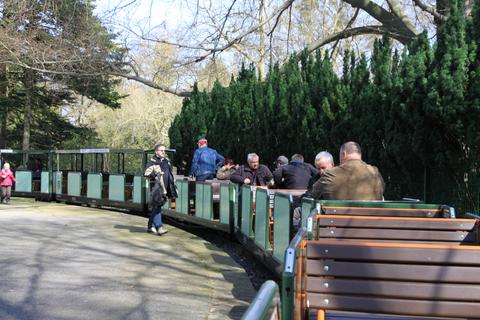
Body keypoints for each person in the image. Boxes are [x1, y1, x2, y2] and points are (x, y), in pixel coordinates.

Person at [311, 141, 384, 200]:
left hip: (336, 218)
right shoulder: (375, 172)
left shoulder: (330, 175)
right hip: (372, 217)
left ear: (343, 154)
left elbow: (313, 194)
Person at [292, 151, 334, 230]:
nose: (321, 172)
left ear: (332, 165)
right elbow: (309, 193)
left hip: (328, 212)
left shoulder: (336, 178)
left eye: (323, 168)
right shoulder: (315, 178)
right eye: (318, 168)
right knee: (295, 211)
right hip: (315, 210)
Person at [144, 144, 178, 235]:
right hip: (156, 187)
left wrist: (173, 185)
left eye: (164, 150)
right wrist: (155, 175)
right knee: (157, 206)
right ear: (156, 152)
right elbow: (146, 173)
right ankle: (159, 227)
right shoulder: (152, 162)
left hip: (165, 188)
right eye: (161, 150)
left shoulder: (167, 161)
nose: (163, 152)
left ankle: (150, 226)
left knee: (157, 206)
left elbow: (170, 174)